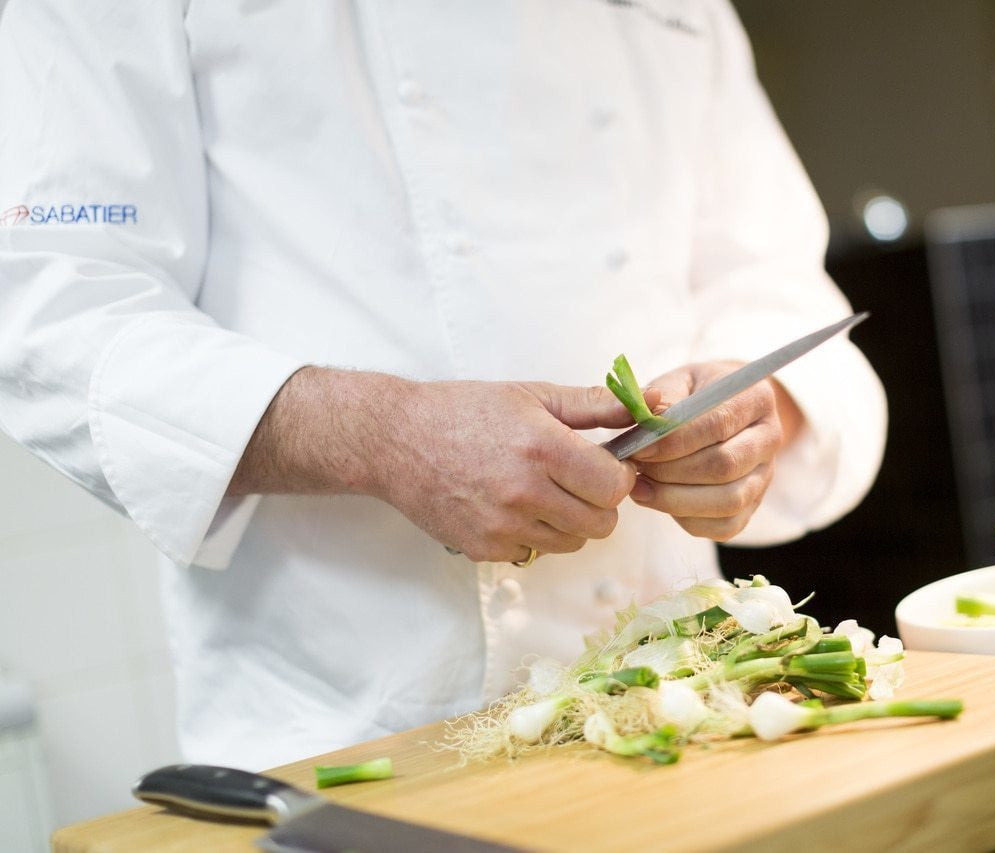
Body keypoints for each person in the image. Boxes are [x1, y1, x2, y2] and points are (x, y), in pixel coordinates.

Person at [0, 1, 887, 770]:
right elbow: (50, 305)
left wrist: (751, 420)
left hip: (683, 707)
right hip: (353, 744)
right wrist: (382, 434)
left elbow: (774, 287)